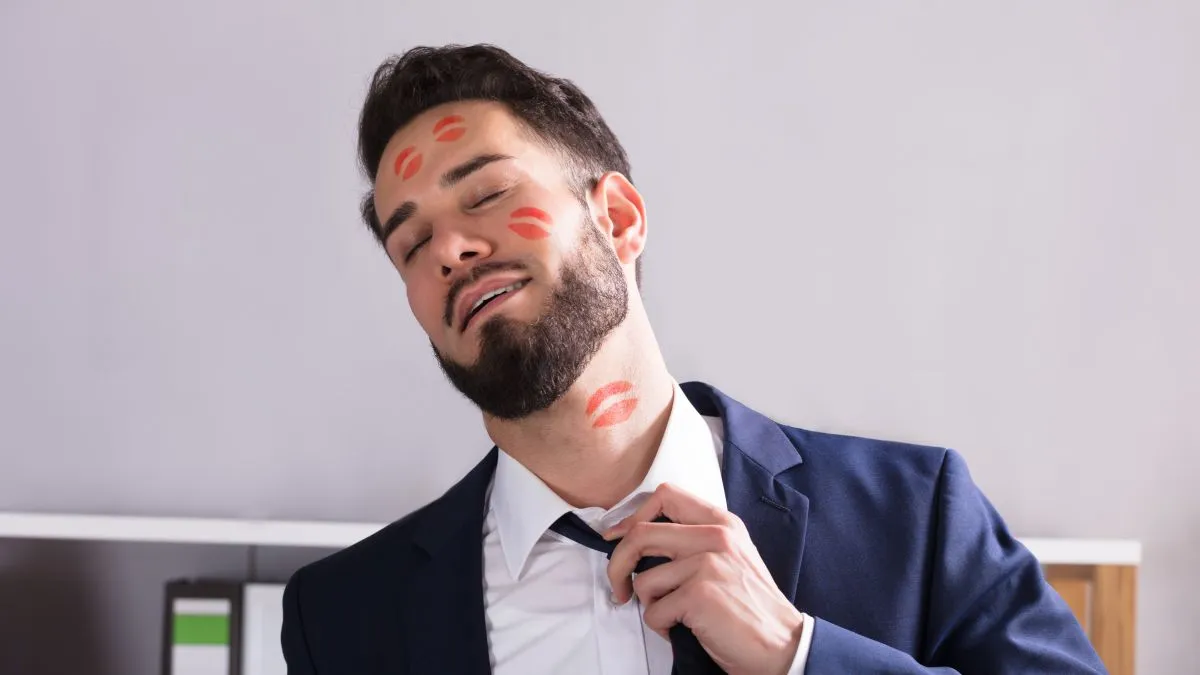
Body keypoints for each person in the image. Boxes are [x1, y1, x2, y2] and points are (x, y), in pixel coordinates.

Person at [280, 44, 1105, 674]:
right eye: (412, 243)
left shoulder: (917, 516)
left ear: (618, 218)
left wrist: (797, 654)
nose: (448, 251)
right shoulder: (345, 617)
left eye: (488, 193)